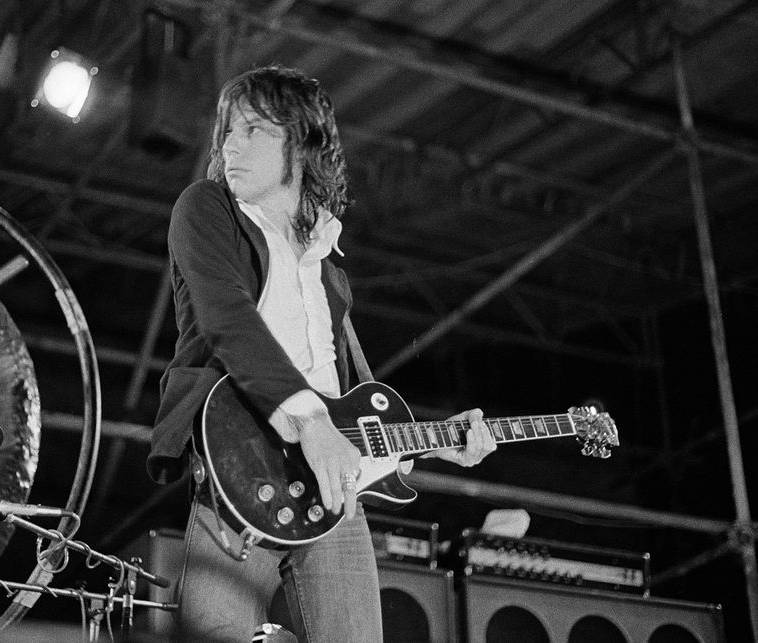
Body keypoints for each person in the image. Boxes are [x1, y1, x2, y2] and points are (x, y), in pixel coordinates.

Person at [147, 65, 497, 641]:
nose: (230, 143)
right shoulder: (206, 209)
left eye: (254, 129)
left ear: (303, 140)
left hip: (333, 497)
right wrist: (309, 422)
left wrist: (436, 443)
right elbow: (227, 321)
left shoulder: (331, 274)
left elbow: (350, 411)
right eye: (228, 130)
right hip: (239, 472)